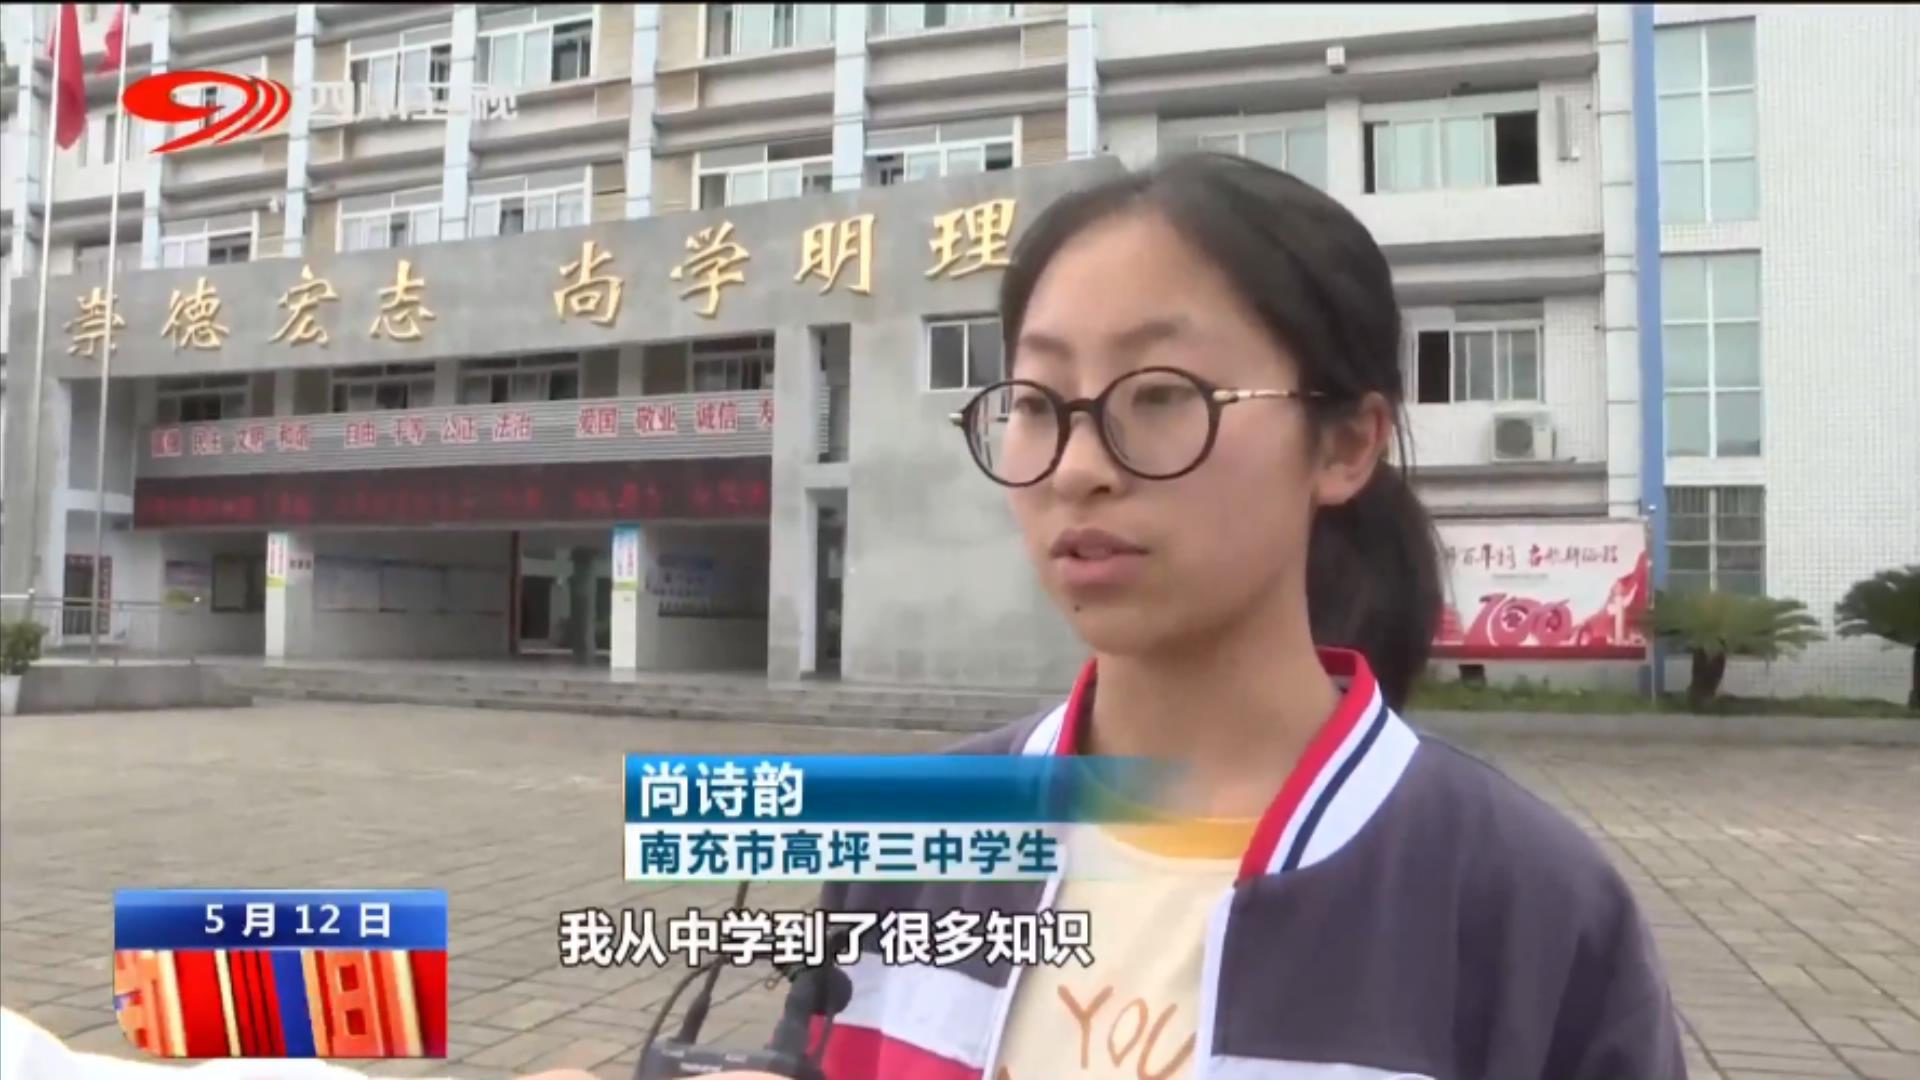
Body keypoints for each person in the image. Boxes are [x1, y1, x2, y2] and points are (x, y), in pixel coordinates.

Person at [702, 152, 1686, 1080]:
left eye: (1161, 394)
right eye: (1036, 403)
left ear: (1347, 444)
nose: (1078, 467)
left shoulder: (1527, 904)